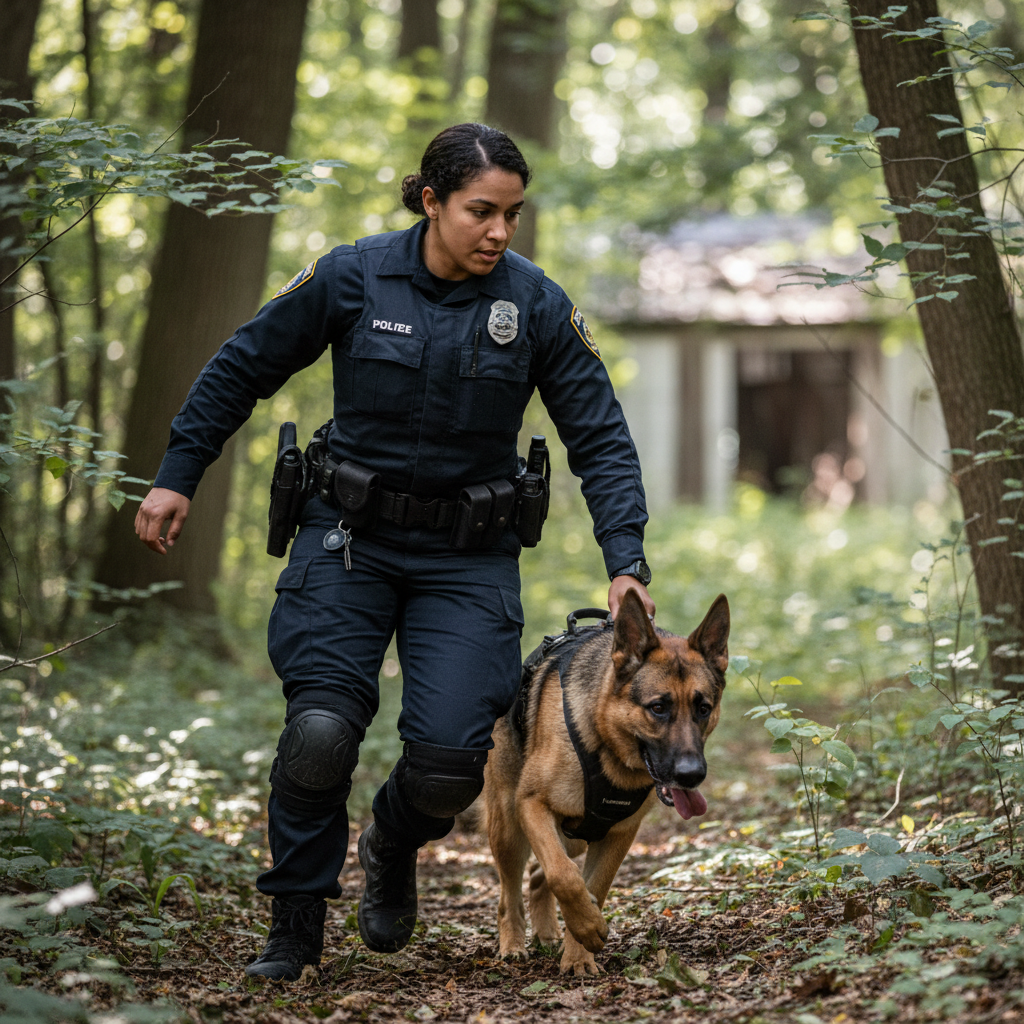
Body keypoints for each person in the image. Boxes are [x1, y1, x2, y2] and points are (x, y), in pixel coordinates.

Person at [135, 123, 655, 980]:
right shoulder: (353, 274)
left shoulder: (534, 305)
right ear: (430, 201)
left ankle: (390, 839)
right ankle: (295, 929)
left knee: (454, 761)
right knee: (319, 734)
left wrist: (624, 554)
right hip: (348, 539)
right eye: (481, 211)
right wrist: (178, 471)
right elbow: (244, 364)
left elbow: (598, 434)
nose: (499, 231)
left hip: (468, 556)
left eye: (513, 215)